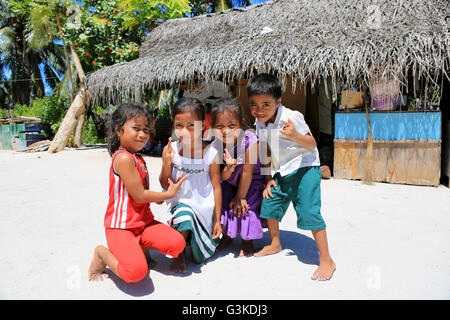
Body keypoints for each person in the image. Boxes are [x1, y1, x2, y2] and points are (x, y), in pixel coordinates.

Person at [248, 74, 336, 281]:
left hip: (306, 168)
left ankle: (326, 259)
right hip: (284, 170)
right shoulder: (260, 122)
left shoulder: (291, 117)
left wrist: (295, 135)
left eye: (266, 104)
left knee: (308, 210)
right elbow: (265, 149)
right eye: (254, 104)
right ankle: (275, 243)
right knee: (269, 202)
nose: (259, 110)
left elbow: (312, 144)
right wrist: (268, 178)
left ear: (279, 102)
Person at [88, 102, 188, 283]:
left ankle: (139, 247)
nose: (142, 135)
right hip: (121, 227)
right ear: (118, 130)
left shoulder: (137, 157)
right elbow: (140, 195)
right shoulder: (124, 158)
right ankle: (101, 254)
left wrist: (155, 198)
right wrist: (168, 194)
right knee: (135, 273)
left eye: (146, 130)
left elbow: (140, 191)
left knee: (178, 244)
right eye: (136, 129)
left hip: (142, 224)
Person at [159, 97, 222, 274]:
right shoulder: (171, 150)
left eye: (191, 125)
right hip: (180, 203)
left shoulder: (211, 153)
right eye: (179, 125)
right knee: (185, 216)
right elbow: (164, 183)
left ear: (203, 125)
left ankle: (191, 238)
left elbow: (217, 187)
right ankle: (179, 255)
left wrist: (217, 220)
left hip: (204, 207)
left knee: (199, 256)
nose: (184, 131)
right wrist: (166, 164)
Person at [210, 97, 266, 257]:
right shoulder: (215, 146)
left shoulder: (250, 141)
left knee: (244, 205)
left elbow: (248, 172)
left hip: (251, 181)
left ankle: (247, 240)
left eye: (232, 126)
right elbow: (221, 176)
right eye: (219, 126)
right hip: (230, 180)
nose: (225, 131)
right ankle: (227, 236)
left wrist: (240, 196)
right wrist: (229, 168)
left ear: (241, 125)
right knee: (224, 199)